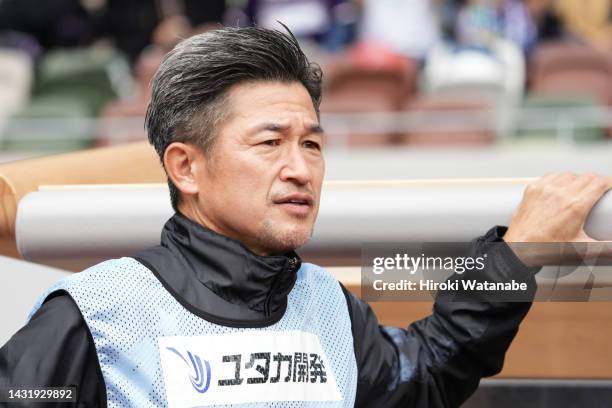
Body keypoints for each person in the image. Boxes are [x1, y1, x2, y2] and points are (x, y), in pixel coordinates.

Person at [1, 26, 610, 407]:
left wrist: (516, 256)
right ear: (185, 167)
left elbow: (427, 373)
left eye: (312, 144)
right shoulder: (93, 315)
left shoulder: (330, 307)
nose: (300, 169)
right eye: (270, 143)